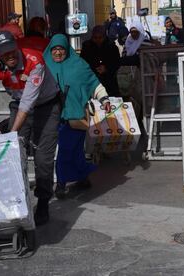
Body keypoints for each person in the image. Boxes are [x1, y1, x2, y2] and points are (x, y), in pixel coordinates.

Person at [0, 31, 61, 226]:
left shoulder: (34, 61)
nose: (11, 56)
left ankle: (43, 200)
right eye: (5, 54)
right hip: (19, 104)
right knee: (13, 156)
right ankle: (16, 201)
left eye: (13, 51)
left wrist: (12, 133)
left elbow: (28, 101)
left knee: (43, 157)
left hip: (46, 106)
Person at [43, 34, 111, 199]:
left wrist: (104, 99)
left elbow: (93, 83)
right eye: (55, 49)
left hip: (74, 117)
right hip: (50, 118)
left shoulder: (79, 65)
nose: (58, 53)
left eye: (61, 49)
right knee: (68, 151)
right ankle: (72, 179)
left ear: (67, 49)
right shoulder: (42, 66)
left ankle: (70, 180)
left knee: (71, 149)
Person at [80, 25, 120, 97]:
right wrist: (93, 68)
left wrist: (107, 68)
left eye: (100, 38)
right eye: (95, 38)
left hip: (109, 81)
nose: (98, 40)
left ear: (104, 37)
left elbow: (116, 63)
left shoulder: (112, 47)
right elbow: (83, 62)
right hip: (92, 79)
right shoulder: (87, 46)